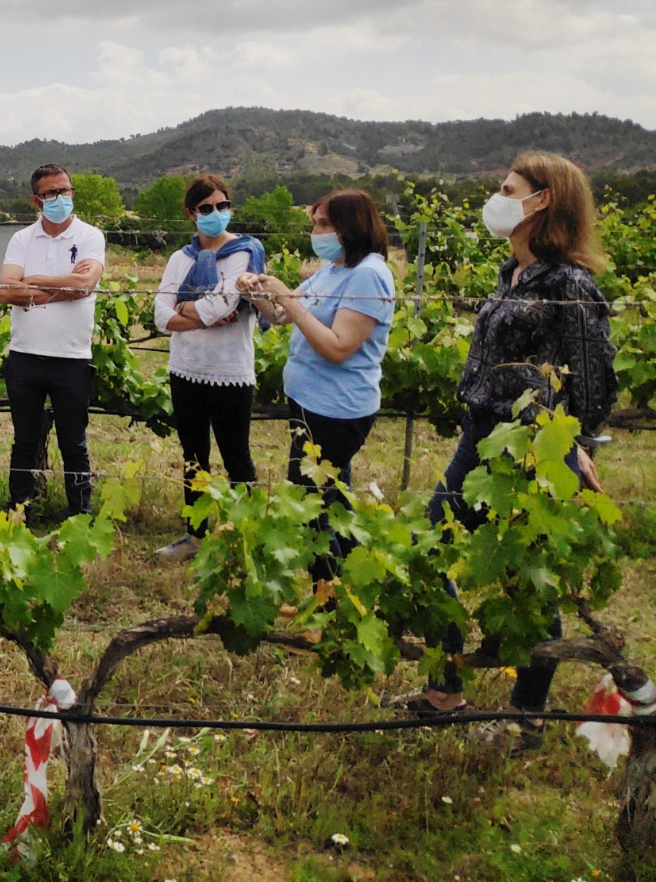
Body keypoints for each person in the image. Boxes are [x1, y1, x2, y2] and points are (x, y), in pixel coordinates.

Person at [391, 153, 616, 737]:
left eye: (507, 187)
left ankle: (527, 713)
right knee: (427, 541)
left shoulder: (570, 283)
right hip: (479, 437)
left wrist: (575, 444)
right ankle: (446, 688)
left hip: (531, 447)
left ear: (542, 200)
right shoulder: (509, 273)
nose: (497, 194)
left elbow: (593, 379)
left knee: (527, 574)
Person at [238, 190, 395, 580]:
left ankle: (331, 603)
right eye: (315, 223)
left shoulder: (369, 274)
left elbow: (338, 347)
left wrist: (288, 300)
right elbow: (281, 315)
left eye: (324, 223)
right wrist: (256, 294)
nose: (316, 231)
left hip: (336, 411)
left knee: (309, 511)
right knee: (332, 504)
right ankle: (355, 589)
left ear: (350, 226)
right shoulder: (334, 268)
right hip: (310, 404)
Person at [152, 174, 265, 562]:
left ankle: (249, 535)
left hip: (231, 371)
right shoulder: (178, 258)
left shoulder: (244, 253)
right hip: (186, 368)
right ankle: (195, 536)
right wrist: (202, 311)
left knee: (237, 456)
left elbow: (221, 306)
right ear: (191, 214)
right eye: (206, 208)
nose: (217, 214)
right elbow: (159, 317)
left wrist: (188, 307)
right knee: (193, 456)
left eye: (223, 206)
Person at [0, 164, 107, 517]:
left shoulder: (90, 236)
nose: (60, 198)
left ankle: (80, 514)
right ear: (35, 200)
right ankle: (19, 511)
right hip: (25, 356)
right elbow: (6, 292)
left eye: (65, 191)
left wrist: (35, 281)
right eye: (51, 194)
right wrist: (63, 286)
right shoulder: (22, 239)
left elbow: (84, 286)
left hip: (72, 357)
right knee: (25, 441)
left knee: (74, 443)